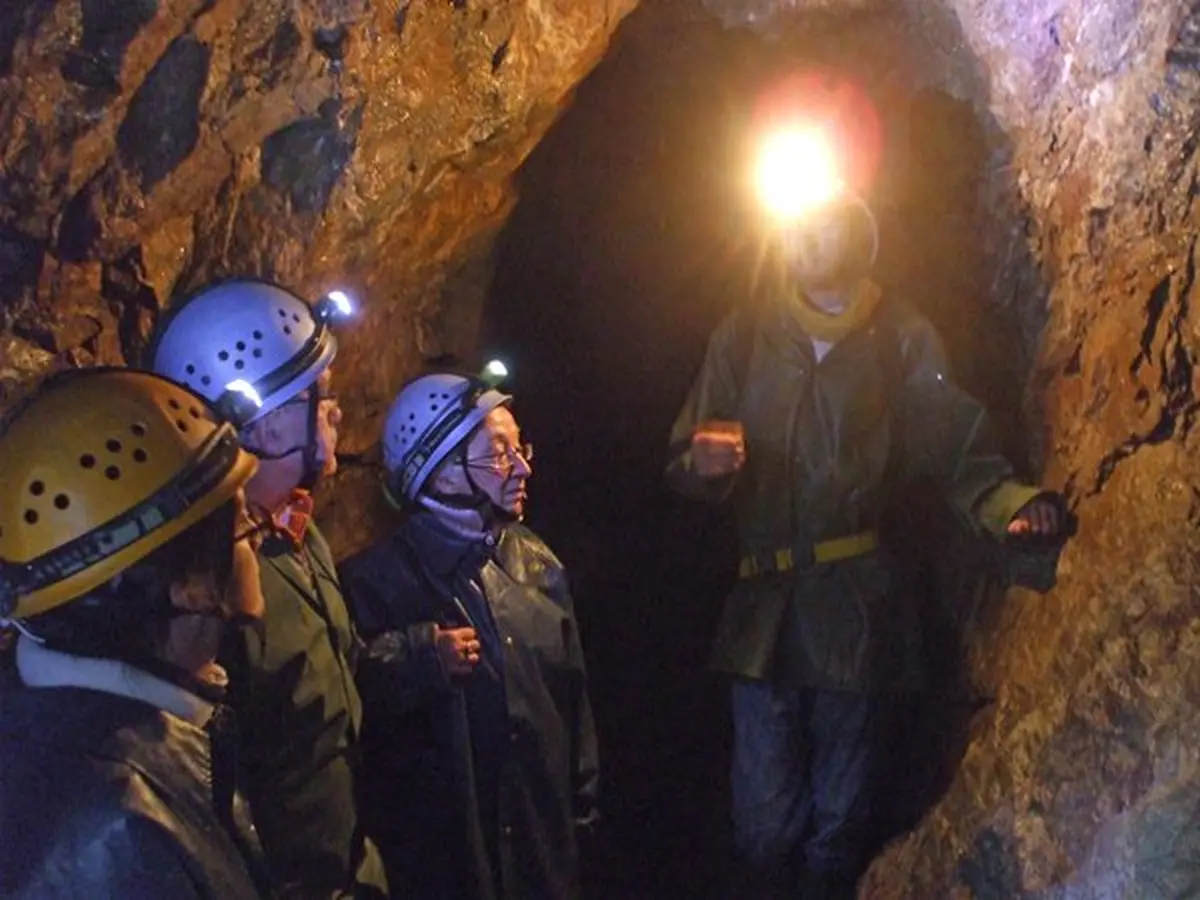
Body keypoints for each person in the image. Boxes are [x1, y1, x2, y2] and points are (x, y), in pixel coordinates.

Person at [664, 94, 1063, 897]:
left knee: (839, 823)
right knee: (764, 823)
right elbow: (684, 458)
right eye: (797, 226)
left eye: (824, 222)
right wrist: (697, 463)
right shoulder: (744, 335)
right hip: (764, 609)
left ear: (856, 228)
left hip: (855, 608)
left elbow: (952, 436)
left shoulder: (899, 335)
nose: (809, 240)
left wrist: (1005, 503)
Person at [148, 279, 388, 899]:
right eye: (317, 396)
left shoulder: (301, 537)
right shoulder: (209, 587)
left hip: (345, 867)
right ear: (258, 425)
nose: (334, 410)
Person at [0, 367, 266, 898]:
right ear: (189, 586)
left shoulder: (60, 737)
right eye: (241, 527)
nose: (260, 540)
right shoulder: (113, 836)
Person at [339, 371, 600, 900]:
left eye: (518, 447)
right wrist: (417, 659)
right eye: (498, 454)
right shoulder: (376, 583)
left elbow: (572, 700)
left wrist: (582, 806)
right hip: (441, 869)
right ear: (438, 472)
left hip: (538, 854)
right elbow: (350, 705)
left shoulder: (536, 563)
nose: (522, 467)